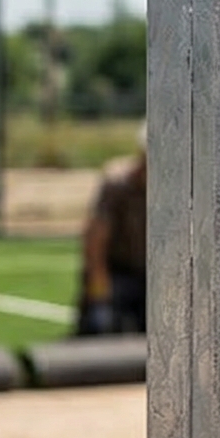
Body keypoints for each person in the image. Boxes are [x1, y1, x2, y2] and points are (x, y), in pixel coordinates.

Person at [75, 124, 145, 337]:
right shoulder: (117, 185)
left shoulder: (179, 187)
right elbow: (96, 239)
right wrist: (99, 293)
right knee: (102, 327)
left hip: (156, 275)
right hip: (120, 274)